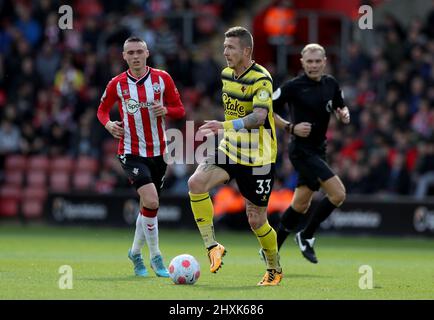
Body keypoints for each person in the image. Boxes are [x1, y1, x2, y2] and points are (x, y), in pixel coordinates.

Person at [188, 26, 282, 286]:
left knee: (256, 220)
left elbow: (259, 117)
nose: (225, 51)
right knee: (195, 183)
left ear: (246, 50)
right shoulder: (226, 74)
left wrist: (223, 126)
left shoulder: (262, 78)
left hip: (259, 157)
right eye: (224, 47)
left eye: (230, 47)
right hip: (230, 149)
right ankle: (212, 246)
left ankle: (274, 267)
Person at [97, 36, 185, 277]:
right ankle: (156, 256)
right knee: (152, 200)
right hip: (130, 151)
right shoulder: (117, 83)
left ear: (147, 53)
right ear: (124, 56)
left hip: (159, 152)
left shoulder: (162, 78)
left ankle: (135, 253)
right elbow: (102, 110)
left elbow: (180, 109)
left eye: (139, 52)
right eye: (130, 53)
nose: (135, 56)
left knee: (148, 205)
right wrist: (108, 125)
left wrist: (166, 109)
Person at [270, 43, 350, 264]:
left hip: (319, 150)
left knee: (300, 205)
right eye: (310, 61)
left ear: (324, 62)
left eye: (317, 61)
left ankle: (271, 249)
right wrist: (290, 127)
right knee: (338, 194)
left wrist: (344, 113)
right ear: (302, 62)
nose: (314, 65)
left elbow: (341, 107)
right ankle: (306, 236)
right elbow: (266, 110)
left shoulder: (331, 83)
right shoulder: (293, 86)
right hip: (301, 151)